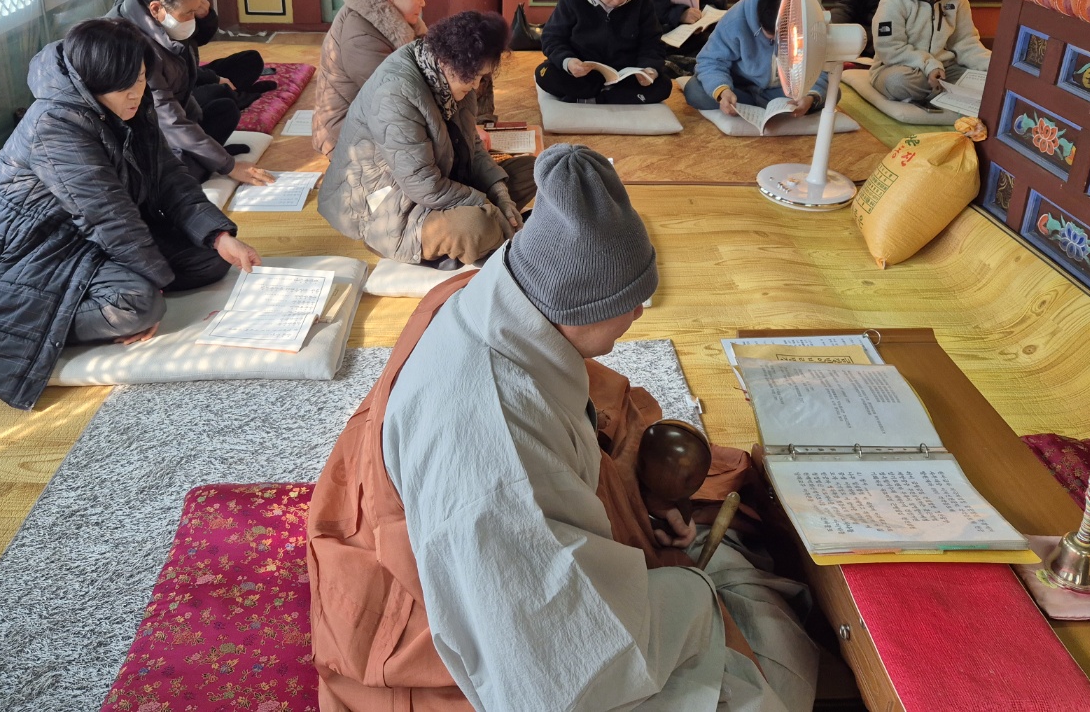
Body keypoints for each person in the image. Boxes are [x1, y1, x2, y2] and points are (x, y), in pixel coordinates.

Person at [309, 144, 819, 711]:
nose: (640, 314)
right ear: (582, 307)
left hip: (474, 513)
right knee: (773, 675)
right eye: (631, 301)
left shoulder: (492, 294)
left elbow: (588, 418)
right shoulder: (492, 447)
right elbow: (555, 666)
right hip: (424, 616)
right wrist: (690, 594)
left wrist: (643, 499)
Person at [0, 19, 262, 410]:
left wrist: (218, 235)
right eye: (125, 85)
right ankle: (14, 325)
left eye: (140, 79)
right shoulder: (54, 125)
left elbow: (169, 178)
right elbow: (109, 217)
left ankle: (110, 296)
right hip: (38, 253)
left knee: (210, 259)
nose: (136, 92)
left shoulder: (128, 106)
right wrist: (153, 285)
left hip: (89, 240)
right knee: (137, 304)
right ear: (93, 81)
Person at [317, 11, 536, 267]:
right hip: (387, 205)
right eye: (476, 76)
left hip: (440, 180)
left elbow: (473, 148)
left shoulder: (455, 73)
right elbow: (424, 186)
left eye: (482, 77)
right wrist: (488, 205)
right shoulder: (395, 94)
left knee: (536, 171)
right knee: (477, 225)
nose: (477, 85)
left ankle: (490, 230)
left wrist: (501, 195)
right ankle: (485, 232)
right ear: (452, 64)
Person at [108, 0, 274, 186]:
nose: (193, 20)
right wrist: (229, 165)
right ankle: (192, 168)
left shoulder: (164, 24)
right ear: (156, 8)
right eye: (188, 13)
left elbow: (185, 88)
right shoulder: (131, 44)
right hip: (132, 139)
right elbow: (169, 119)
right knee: (174, 178)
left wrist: (214, 152)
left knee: (225, 110)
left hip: (161, 121)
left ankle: (202, 161)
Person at [125, 0, 274, 110]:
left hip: (188, 72)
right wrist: (214, 79)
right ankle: (234, 95)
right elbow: (157, 69)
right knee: (220, 98)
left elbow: (198, 40)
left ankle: (233, 93)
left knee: (251, 61)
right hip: (160, 87)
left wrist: (205, 17)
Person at [312, 0, 428, 156]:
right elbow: (398, 97)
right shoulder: (360, 35)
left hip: (374, 116)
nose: (423, 3)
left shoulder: (399, 19)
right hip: (343, 133)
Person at [534, 0, 672, 105]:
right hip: (583, 73)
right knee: (544, 74)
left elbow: (652, 41)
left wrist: (649, 69)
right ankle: (611, 96)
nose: (617, 0)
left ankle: (593, 98)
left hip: (625, 74)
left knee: (664, 85)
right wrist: (568, 61)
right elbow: (552, 37)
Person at [683, 0, 827, 118]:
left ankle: (770, 106)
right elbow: (710, 60)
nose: (777, 44)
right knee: (695, 90)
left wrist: (811, 96)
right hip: (740, 86)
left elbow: (823, 66)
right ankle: (763, 107)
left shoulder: (814, 19)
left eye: (784, 39)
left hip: (784, 90)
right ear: (758, 21)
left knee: (828, 93)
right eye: (771, 38)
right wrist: (723, 91)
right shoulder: (736, 20)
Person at [869, 0, 992, 104]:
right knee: (897, 82)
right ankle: (945, 94)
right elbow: (890, 49)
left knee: (990, 82)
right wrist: (929, 65)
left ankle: (938, 94)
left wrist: (991, 65)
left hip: (945, 70)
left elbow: (965, 42)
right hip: (902, 68)